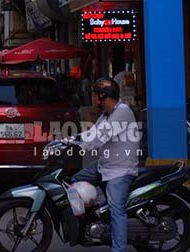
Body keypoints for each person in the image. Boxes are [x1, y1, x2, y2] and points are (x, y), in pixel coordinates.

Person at [64, 77, 141, 252]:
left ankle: (118, 249)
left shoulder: (122, 112)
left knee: (117, 210)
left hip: (120, 170)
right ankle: (91, 219)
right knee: (71, 182)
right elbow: (92, 133)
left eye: (97, 97)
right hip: (104, 165)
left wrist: (74, 142)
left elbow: (98, 138)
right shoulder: (107, 114)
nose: (95, 101)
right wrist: (66, 142)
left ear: (104, 96)